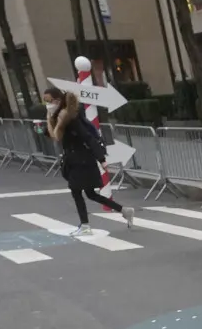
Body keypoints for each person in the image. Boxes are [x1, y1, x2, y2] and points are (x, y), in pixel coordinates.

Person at [44, 87, 135, 235]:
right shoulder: (57, 117)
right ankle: (125, 210)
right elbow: (52, 135)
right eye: (46, 102)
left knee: (76, 191)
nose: (48, 105)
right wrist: (47, 121)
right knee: (90, 194)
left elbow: (89, 138)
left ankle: (85, 226)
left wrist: (102, 159)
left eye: (49, 101)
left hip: (82, 161)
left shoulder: (70, 118)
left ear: (58, 101)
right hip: (74, 160)